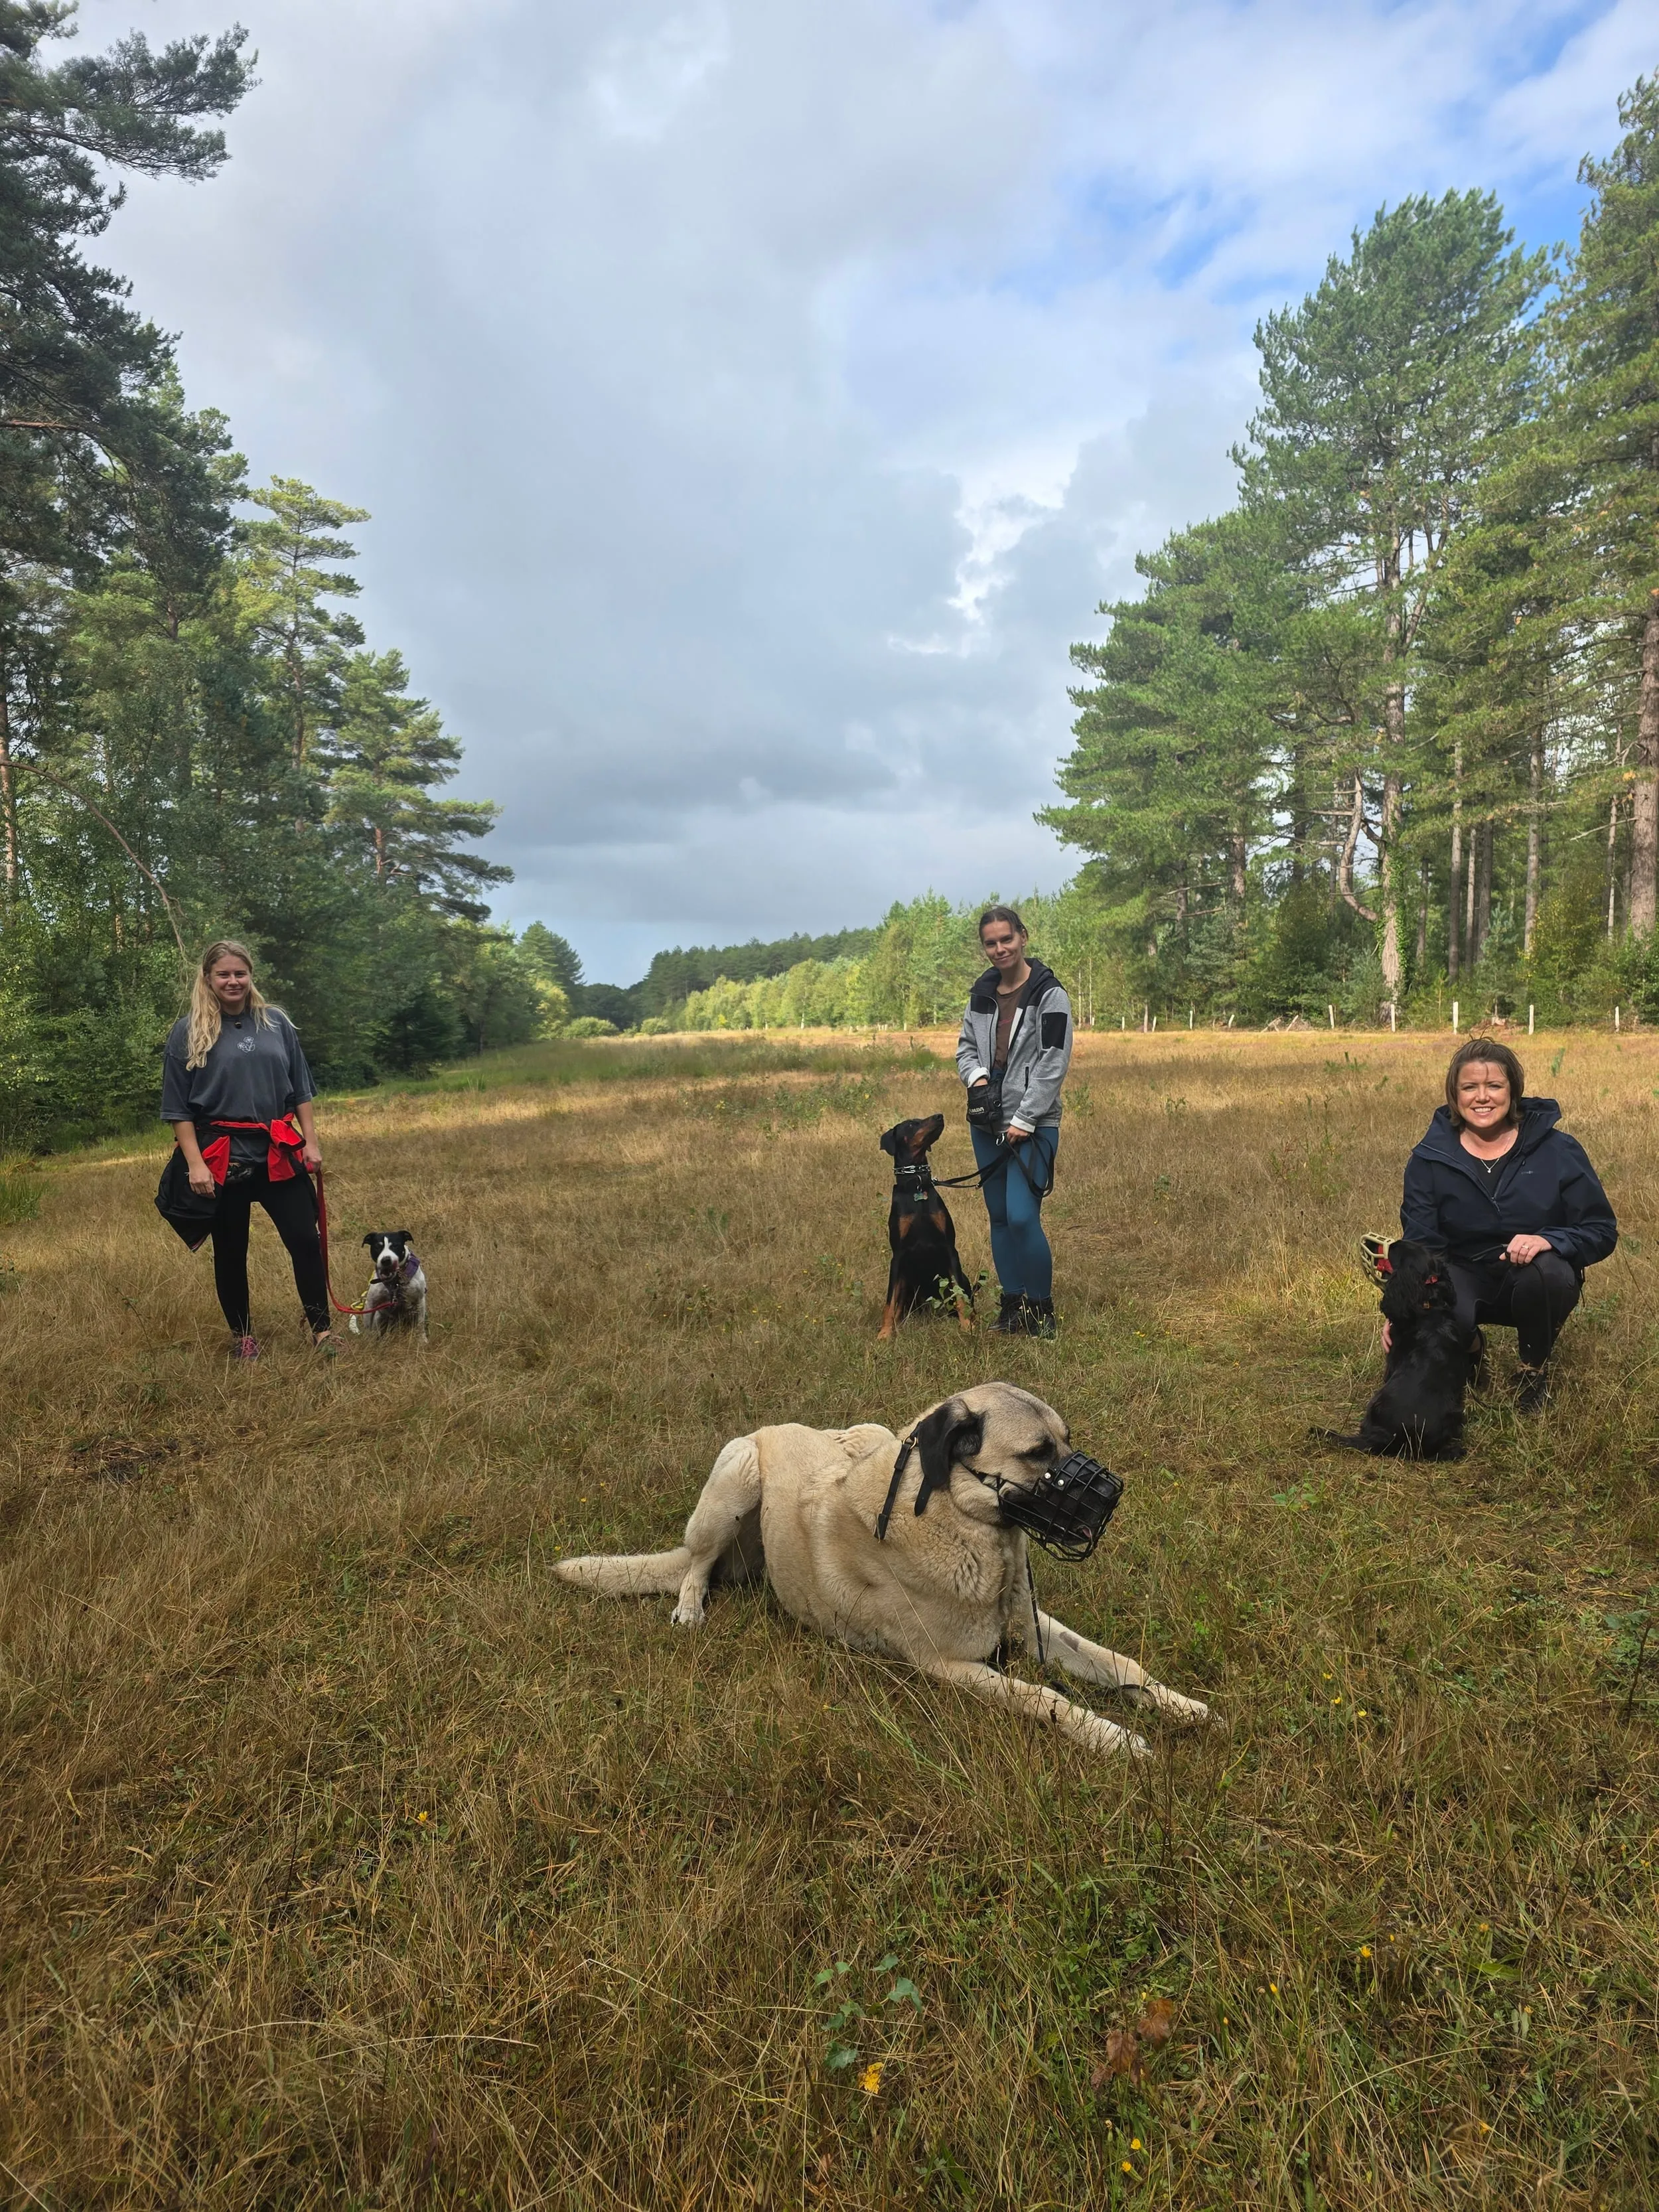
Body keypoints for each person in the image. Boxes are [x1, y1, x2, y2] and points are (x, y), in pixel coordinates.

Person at [1396, 1036, 1617, 1412]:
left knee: (1548, 1272)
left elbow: (1601, 1229)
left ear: (1513, 1091)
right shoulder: (1428, 1160)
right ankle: (1470, 1347)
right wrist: (1404, 1312)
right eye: (1470, 1087)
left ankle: (1532, 1372)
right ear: (1455, 1095)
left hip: (1533, 1275)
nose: (1482, 1097)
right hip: (1461, 1273)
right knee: (1438, 1314)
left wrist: (1550, 1240)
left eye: (1494, 1086)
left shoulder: (1559, 1150)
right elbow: (1421, 1245)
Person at [160, 940, 333, 1360]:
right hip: (220, 1156)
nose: (233, 981)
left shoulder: (277, 1025)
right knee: (232, 1250)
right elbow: (178, 1109)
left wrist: (310, 1141)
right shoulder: (188, 1031)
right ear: (208, 978)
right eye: (224, 974)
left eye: (240, 973)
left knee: (305, 1241)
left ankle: (323, 1333)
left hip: (277, 1150)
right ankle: (243, 1338)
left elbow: (302, 1090)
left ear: (250, 975)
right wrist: (196, 1165)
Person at [956, 905, 1074, 1337]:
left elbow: (1053, 1061)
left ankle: (1042, 1312)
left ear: (1023, 937)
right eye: (991, 942)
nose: (999, 948)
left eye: (1006, 938)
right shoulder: (982, 994)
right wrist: (979, 1077)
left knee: (1023, 1216)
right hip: (987, 1123)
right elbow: (966, 1048)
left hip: (1034, 1125)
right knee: (1000, 1216)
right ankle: (1013, 1306)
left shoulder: (1049, 994)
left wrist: (1026, 1117)